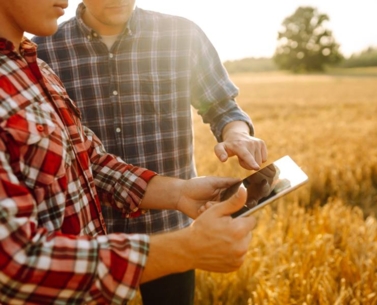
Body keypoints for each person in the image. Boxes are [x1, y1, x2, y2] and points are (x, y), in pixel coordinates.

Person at [0, 1, 257, 304]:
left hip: (144, 239)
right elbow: (12, 261)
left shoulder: (33, 66)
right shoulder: (45, 49)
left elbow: (88, 161)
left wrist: (179, 193)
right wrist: (188, 248)